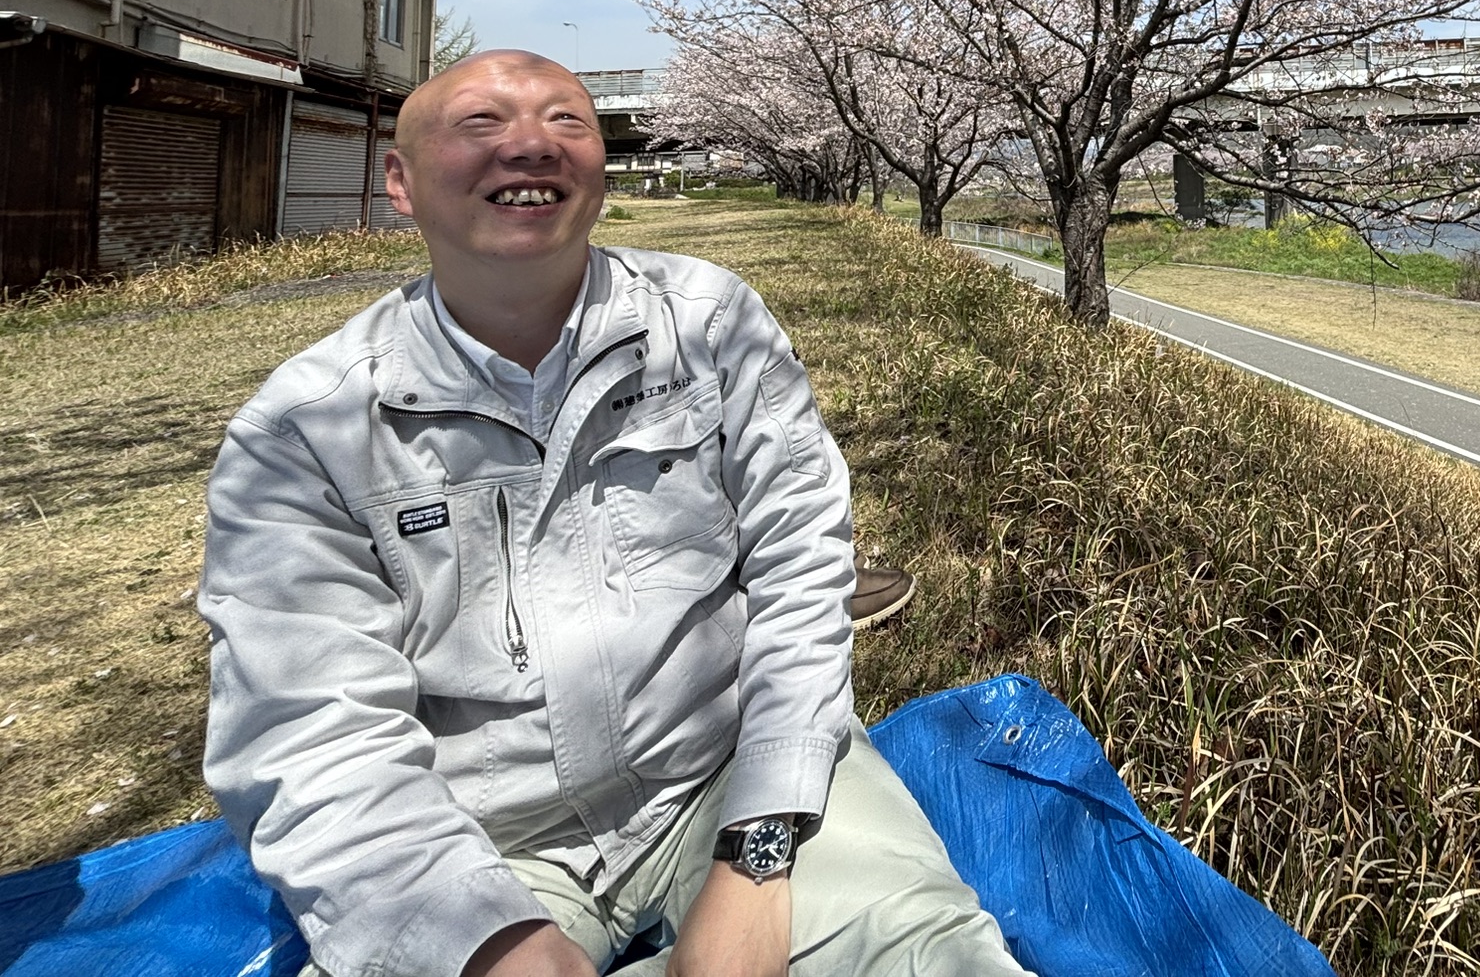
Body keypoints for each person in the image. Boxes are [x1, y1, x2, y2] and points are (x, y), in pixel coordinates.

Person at [199, 51, 1021, 977]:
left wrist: (757, 865)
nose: (530, 147)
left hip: (730, 772)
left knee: (932, 956)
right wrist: (490, 941)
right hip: (474, 834)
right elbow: (309, 725)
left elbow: (803, 575)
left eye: (567, 122)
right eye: (481, 124)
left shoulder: (711, 326)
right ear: (401, 181)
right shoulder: (312, 427)